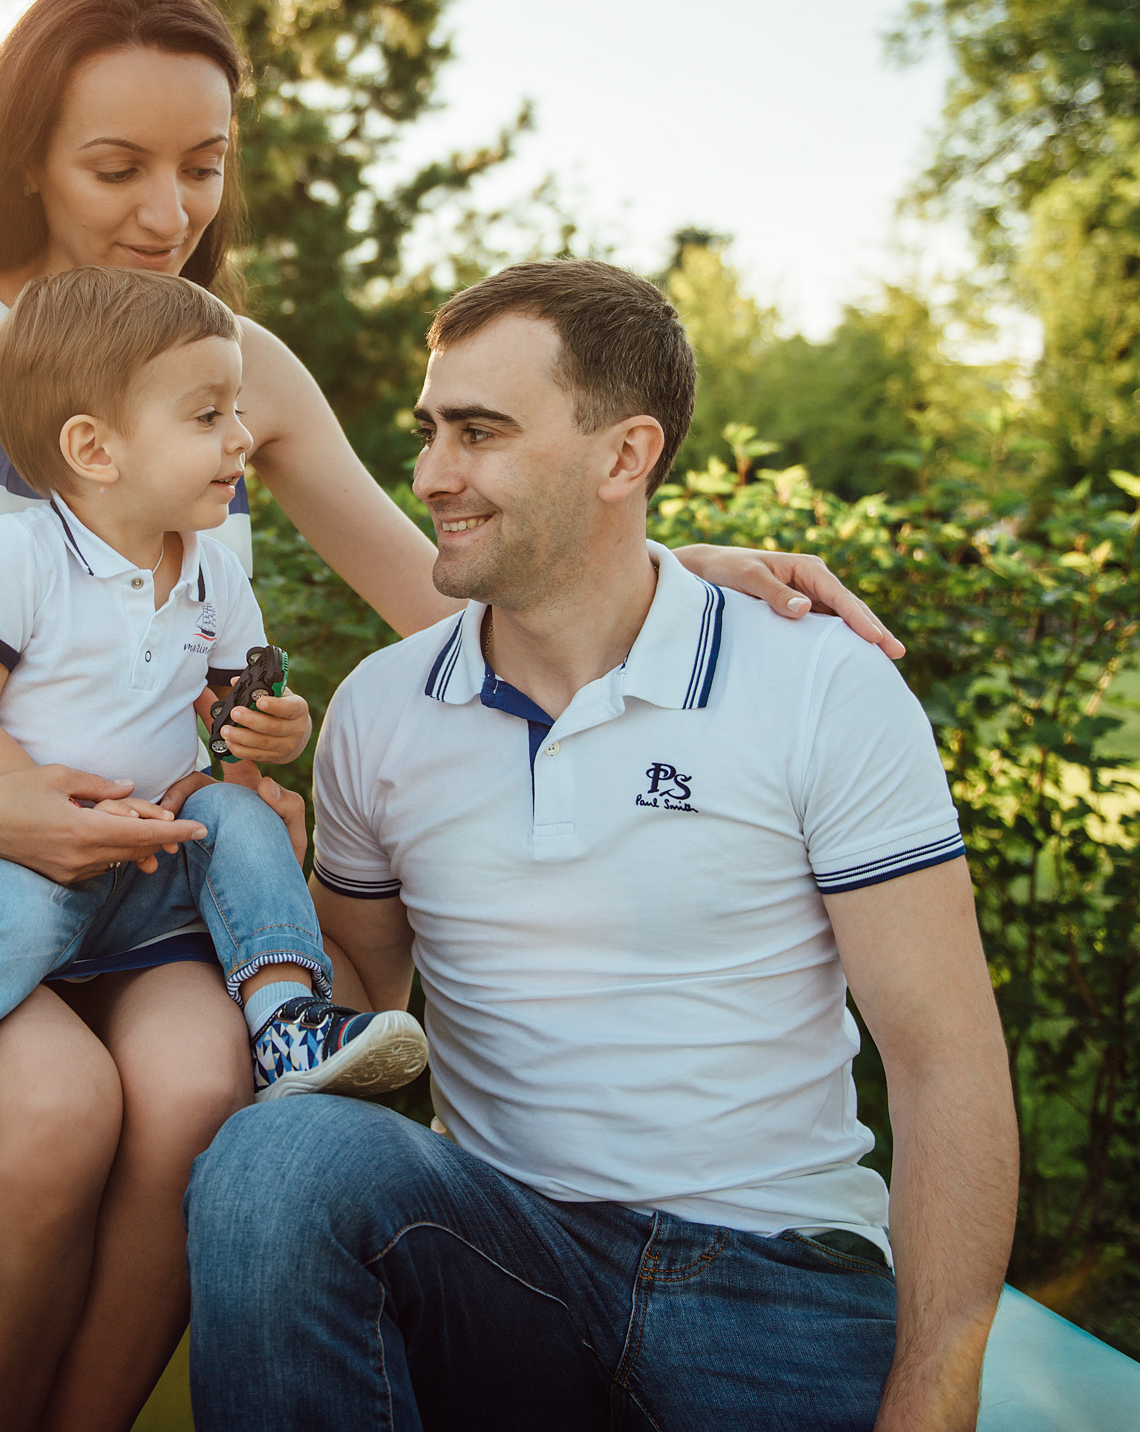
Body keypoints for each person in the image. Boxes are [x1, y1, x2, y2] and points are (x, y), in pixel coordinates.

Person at [0, 0, 905, 1432]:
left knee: (210, 1084)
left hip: (144, 858)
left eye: (202, 168)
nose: (166, 210)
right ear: (27, 155)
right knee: (56, 1105)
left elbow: (431, 576)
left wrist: (658, 547)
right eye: (117, 167)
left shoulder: (239, 363)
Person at [185, 260, 1017, 1432]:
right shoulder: (379, 711)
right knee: (277, 1163)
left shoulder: (820, 684)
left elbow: (946, 1061)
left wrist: (933, 1401)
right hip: (506, 1261)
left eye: (479, 433)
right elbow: (367, 996)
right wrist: (278, 877)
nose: (430, 476)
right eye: (429, 431)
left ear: (626, 456)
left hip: (775, 1283)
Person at [0, 265, 428, 1368]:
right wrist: (34, 806)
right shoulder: (16, 558)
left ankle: (286, 1021)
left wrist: (269, 733)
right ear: (96, 449)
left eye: (235, 409)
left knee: (233, 821)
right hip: (17, 845)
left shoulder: (214, 574)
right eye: (207, 415)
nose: (241, 439)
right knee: (23, 924)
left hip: (146, 859)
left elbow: (227, 722)